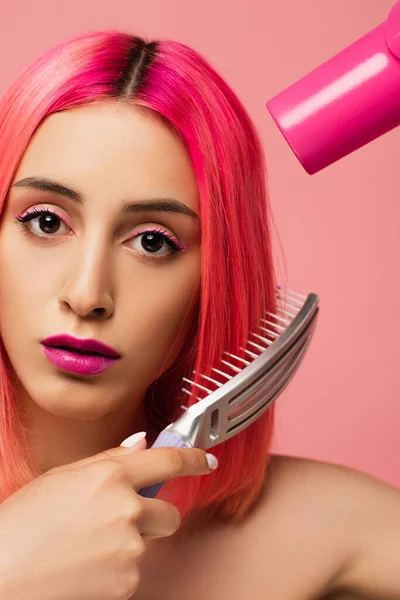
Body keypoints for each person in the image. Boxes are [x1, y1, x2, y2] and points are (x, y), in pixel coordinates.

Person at [0, 30, 398, 600]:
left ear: (218, 278)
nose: (87, 294)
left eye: (154, 242)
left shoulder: (330, 531)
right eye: (45, 222)